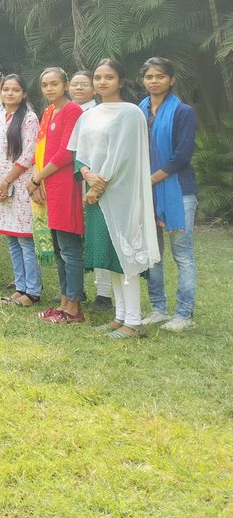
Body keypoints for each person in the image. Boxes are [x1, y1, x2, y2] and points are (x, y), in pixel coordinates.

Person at [69, 58, 160, 339]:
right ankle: (119, 316)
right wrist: (86, 173)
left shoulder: (131, 113)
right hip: (96, 195)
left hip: (120, 195)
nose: (102, 82)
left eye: (108, 77)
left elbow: (123, 155)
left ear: (121, 81)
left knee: (125, 256)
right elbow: (78, 151)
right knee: (109, 256)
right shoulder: (88, 115)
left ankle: (134, 322)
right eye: (97, 77)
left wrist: (97, 186)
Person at [139, 57, 199, 331]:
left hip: (178, 191)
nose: (154, 81)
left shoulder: (183, 111)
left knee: (182, 255)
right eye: (150, 76)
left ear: (171, 80)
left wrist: (150, 179)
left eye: (160, 76)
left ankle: (184, 314)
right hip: (146, 192)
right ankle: (159, 309)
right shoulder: (139, 111)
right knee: (153, 253)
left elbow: (182, 155)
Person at [26, 67, 86, 324]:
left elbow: (66, 153)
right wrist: (38, 182)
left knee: (69, 248)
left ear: (66, 84)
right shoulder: (49, 111)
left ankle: (74, 308)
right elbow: (42, 151)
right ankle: (63, 302)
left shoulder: (72, 110)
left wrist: (37, 178)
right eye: (45, 85)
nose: (49, 89)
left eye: (54, 83)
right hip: (47, 185)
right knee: (60, 248)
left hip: (64, 185)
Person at [0, 74, 41, 306]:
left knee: (26, 240)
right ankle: (20, 286)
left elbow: (29, 154)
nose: (9, 93)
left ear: (24, 94)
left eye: (15, 90)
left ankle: (33, 290)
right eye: (6, 89)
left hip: (19, 183)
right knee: (11, 239)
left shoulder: (29, 118)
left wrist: (7, 181)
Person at [69, 69, 109, 309]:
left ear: (94, 89)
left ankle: (103, 294)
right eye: (75, 84)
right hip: (73, 181)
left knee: (98, 235)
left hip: (97, 180)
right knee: (75, 236)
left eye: (85, 84)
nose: (79, 88)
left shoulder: (99, 113)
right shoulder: (65, 111)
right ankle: (76, 289)